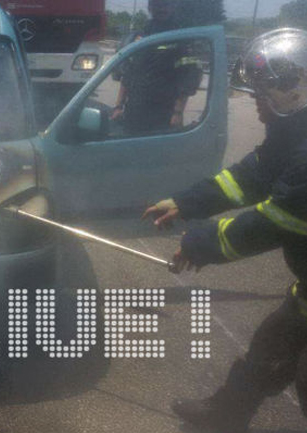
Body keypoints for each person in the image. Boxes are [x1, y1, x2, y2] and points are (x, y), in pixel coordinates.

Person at [142, 28, 307, 432]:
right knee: (271, 345)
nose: (255, 103)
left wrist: (197, 244)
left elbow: (271, 223)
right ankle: (227, 415)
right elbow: (250, 176)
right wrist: (185, 203)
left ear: (292, 94)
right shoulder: (293, 134)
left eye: (261, 95)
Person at [110, 0, 202, 134]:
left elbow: (188, 78)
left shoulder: (181, 37)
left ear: (173, 6)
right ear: (150, 7)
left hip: (164, 113)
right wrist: (118, 106)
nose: (161, 9)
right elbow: (128, 75)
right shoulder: (139, 37)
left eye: (166, 5)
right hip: (134, 110)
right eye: (157, 5)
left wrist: (177, 112)